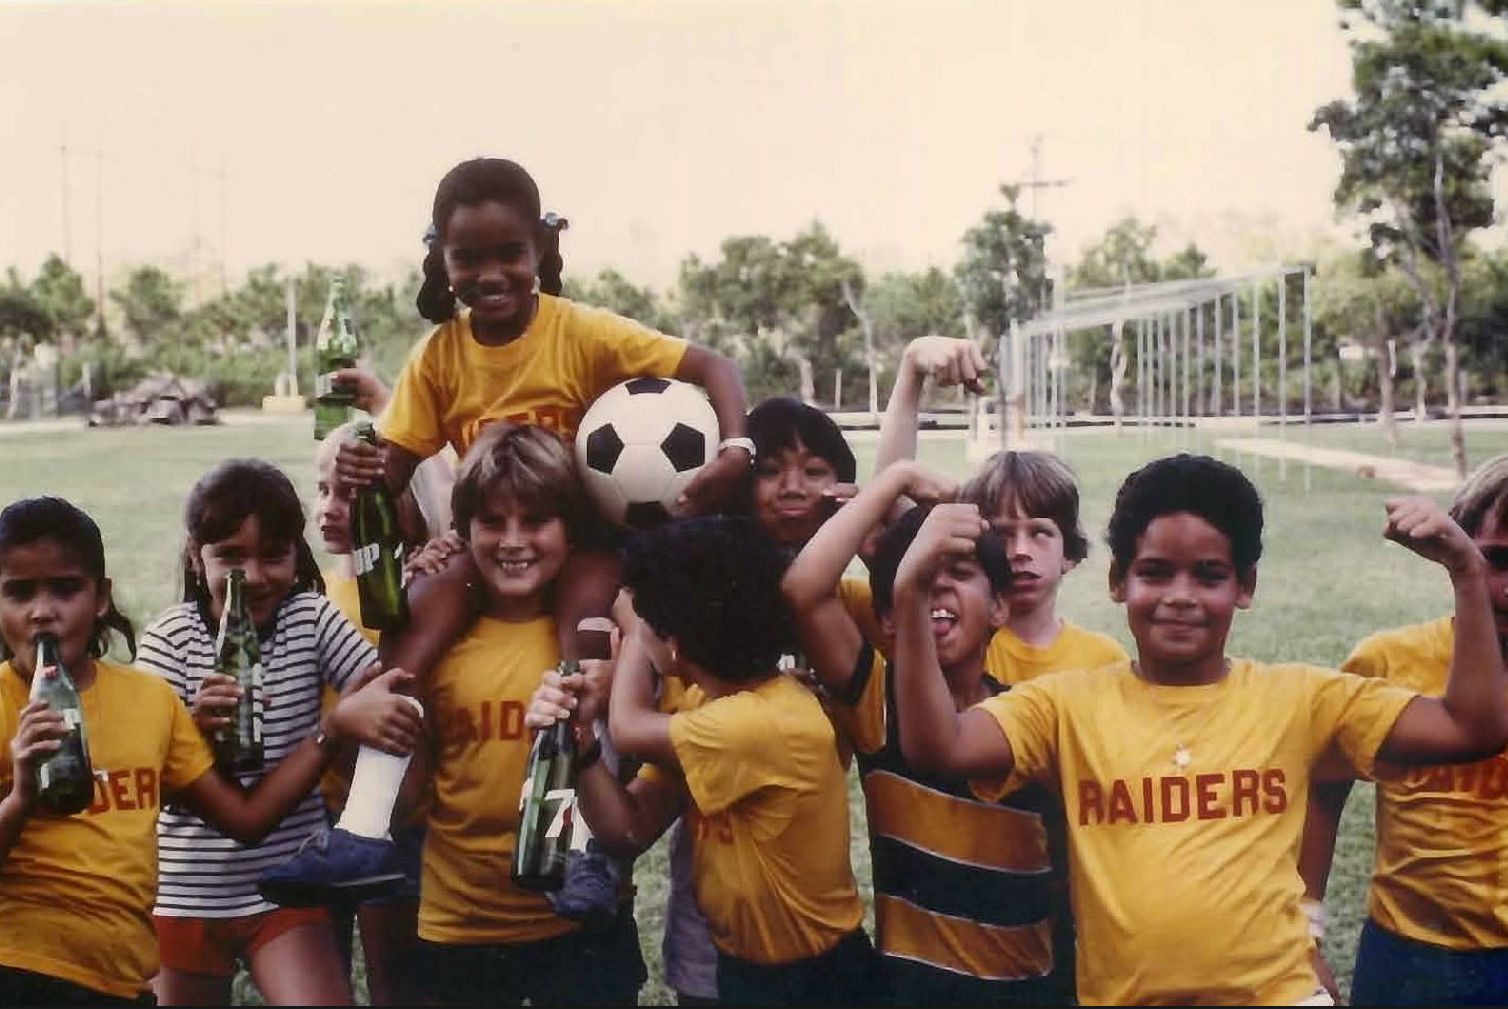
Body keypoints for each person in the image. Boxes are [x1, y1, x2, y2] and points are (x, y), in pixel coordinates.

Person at [892, 453, 1508, 1005]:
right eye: (1156, 572)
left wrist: (1466, 572)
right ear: (1117, 582)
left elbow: (1471, 727)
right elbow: (939, 746)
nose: (1181, 596)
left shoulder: (1302, 699)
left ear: (1245, 586)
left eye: (1209, 575)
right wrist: (913, 590)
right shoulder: (1064, 707)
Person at [298, 156, 749, 905]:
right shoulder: (440, 355)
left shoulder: (580, 333)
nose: (490, 274)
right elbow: (393, 468)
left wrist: (736, 448)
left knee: (580, 653)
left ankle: (578, 845)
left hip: (580, 546)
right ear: (441, 259)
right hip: (488, 547)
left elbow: (714, 365)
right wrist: (361, 473)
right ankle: (367, 826)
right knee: (411, 630)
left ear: (540, 247)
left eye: (509, 253)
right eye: (467, 258)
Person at [0, 495, 419, 1006]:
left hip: (120, 974)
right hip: (21, 969)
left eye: (65, 589)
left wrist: (328, 730)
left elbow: (246, 819)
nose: (43, 612)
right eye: (19, 592)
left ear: (101, 597)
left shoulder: (147, 701)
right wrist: (21, 798)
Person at [528, 516, 875, 1007]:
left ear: (673, 644)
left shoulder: (757, 724)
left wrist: (632, 637)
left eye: (643, 624)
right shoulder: (707, 707)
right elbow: (629, 828)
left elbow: (627, 727)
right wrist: (583, 748)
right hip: (748, 969)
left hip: (816, 980)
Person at [135, 460, 420, 1006]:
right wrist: (189, 732)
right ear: (196, 556)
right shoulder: (171, 639)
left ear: (296, 552)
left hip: (286, 885)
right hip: (186, 891)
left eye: (273, 555)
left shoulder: (309, 618)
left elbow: (384, 688)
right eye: (230, 557)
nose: (254, 576)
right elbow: (146, 780)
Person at [783, 459, 1067, 1005]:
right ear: (888, 615)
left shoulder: (1029, 716)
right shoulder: (877, 705)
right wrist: (897, 479)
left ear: (999, 606)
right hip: (911, 991)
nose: (937, 586)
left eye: (959, 572)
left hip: (1025, 990)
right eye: (919, 578)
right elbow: (804, 590)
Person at [392, 421, 645, 1006]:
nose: (513, 541)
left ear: (570, 529)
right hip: (461, 921)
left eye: (534, 521)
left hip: (580, 925)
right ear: (462, 531)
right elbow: (411, 794)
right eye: (492, 522)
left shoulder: (604, 635)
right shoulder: (442, 639)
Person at [1301, 451, 1508, 1005]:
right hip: (1411, 951)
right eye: (1496, 560)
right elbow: (1323, 788)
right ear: (1454, 554)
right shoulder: (1389, 661)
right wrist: (1306, 930)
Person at [311, 422, 436, 1007]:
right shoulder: (314, 596)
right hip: (323, 809)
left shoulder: (419, 590)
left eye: (349, 496)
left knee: (395, 974)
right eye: (322, 490)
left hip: (401, 816)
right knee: (325, 966)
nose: (328, 510)